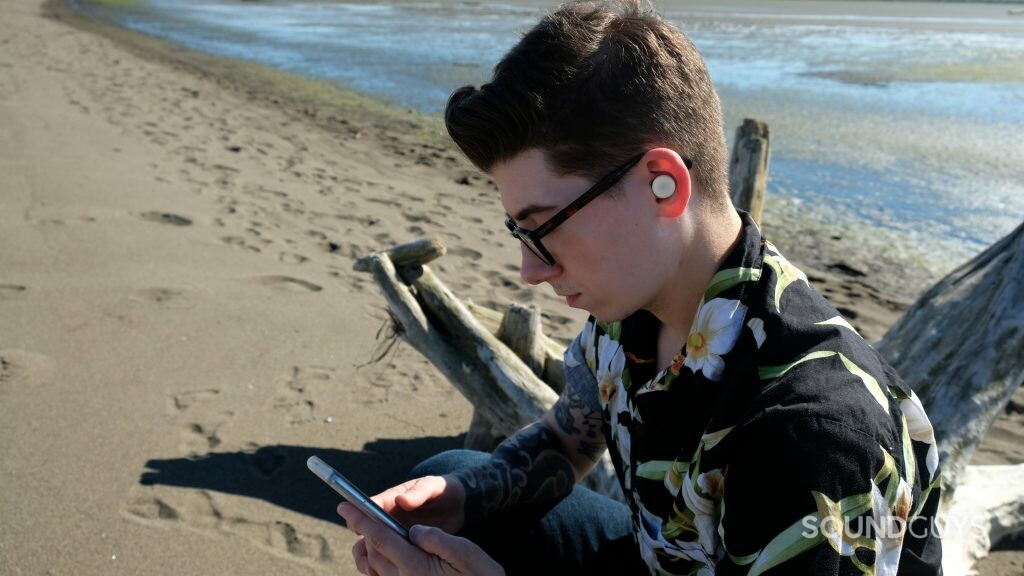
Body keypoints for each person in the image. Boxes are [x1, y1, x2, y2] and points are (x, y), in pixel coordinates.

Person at [338, 1, 943, 574]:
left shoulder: (812, 433)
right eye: (516, 232)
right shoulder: (629, 310)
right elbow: (566, 437)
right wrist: (467, 494)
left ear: (662, 185)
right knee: (451, 486)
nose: (531, 270)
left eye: (543, 229)